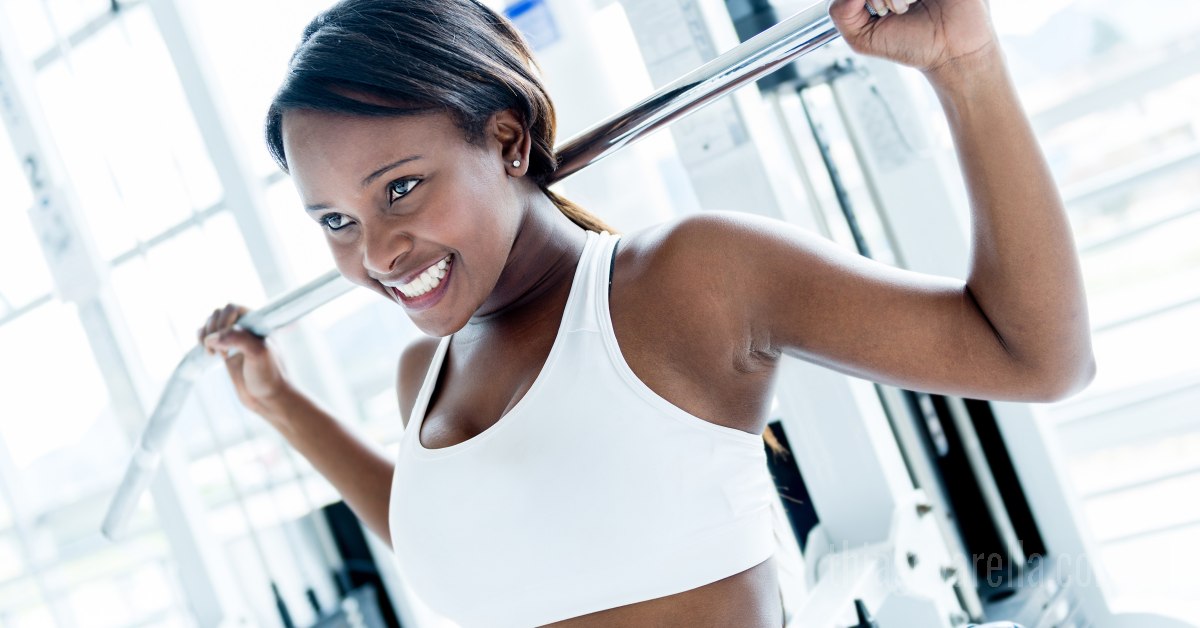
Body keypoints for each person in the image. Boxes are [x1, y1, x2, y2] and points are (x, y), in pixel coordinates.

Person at [197, 0, 1095, 625]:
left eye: (400, 187)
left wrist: (966, 70)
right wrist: (280, 405)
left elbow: (1036, 358)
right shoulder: (422, 378)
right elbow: (465, 528)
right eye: (336, 222)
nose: (377, 252)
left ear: (507, 139)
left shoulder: (684, 283)